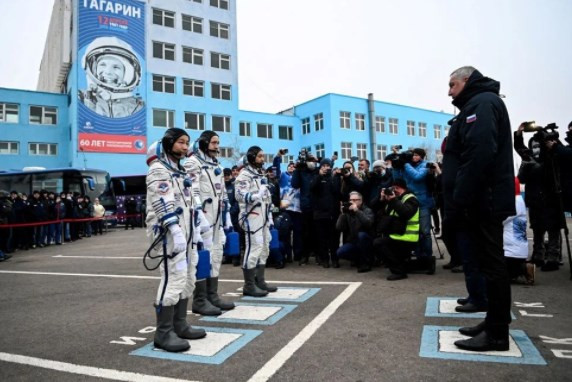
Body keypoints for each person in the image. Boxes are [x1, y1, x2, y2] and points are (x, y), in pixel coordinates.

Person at [443, 66, 515, 352]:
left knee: (493, 265)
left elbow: (479, 153)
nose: (449, 91)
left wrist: (461, 196)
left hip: (483, 199)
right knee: (487, 264)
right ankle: (493, 321)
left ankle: (497, 334)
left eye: (452, 84)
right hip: (480, 198)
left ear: (467, 81)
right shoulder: (476, 104)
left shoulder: (483, 103)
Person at [145, 128, 206, 353]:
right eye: (181, 142)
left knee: (188, 277)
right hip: (169, 234)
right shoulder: (158, 170)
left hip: (187, 232)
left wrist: (196, 229)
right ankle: (163, 333)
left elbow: (189, 204)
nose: (185, 146)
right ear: (169, 143)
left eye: (187, 143)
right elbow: (162, 202)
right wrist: (174, 229)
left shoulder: (180, 172)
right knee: (173, 277)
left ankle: (179, 324)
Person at [184, 131, 235, 314]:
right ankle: (200, 300)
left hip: (217, 217)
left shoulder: (216, 165)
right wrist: (199, 215)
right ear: (204, 143)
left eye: (218, 143)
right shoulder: (193, 163)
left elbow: (222, 193)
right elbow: (192, 191)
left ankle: (212, 296)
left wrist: (226, 214)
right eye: (214, 142)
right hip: (203, 218)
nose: (216, 146)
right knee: (203, 256)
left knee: (216, 253)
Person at [235, 146, 277, 297]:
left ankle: (260, 280)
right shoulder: (244, 175)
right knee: (255, 246)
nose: (262, 159)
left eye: (263, 156)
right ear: (252, 157)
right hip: (251, 216)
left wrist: (270, 216)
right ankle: (249, 284)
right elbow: (239, 195)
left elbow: (267, 197)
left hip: (264, 215)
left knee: (265, 247)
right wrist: (255, 196)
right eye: (259, 156)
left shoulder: (261, 174)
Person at [79, 37, 144, 118]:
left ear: (127, 74)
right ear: (93, 68)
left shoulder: (138, 107)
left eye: (116, 67)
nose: (108, 72)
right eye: (103, 65)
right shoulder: (80, 98)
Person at [392, 148, 434, 266]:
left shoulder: (425, 165)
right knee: (414, 231)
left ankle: (427, 258)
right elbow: (397, 180)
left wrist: (405, 164)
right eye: (412, 155)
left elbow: (417, 177)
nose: (413, 157)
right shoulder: (407, 166)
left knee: (425, 232)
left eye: (416, 155)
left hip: (423, 202)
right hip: (409, 201)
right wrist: (396, 166)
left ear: (421, 156)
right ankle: (417, 255)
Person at [372, 178, 420, 280]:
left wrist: (393, 200)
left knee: (379, 243)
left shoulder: (411, 199)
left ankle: (399, 272)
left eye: (394, 189)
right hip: (396, 235)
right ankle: (400, 265)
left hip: (407, 238)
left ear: (398, 188)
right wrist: (382, 199)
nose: (393, 192)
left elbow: (406, 213)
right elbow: (380, 213)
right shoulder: (395, 199)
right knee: (378, 242)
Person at [310, 158, 342, 268]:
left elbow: (337, 191)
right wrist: (320, 176)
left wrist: (334, 176)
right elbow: (312, 187)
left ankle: (335, 259)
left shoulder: (334, 178)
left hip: (333, 213)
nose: (326, 168)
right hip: (319, 213)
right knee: (321, 238)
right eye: (324, 165)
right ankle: (324, 259)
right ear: (320, 167)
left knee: (334, 238)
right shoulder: (316, 177)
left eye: (328, 165)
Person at [336, 191, 374, 272]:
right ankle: (359, 260)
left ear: (361, 201)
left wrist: (357, 211)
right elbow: (339, 227)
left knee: (361, 235)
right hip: (354, 240)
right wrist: (342, 214)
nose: (352, 202)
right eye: (351, 200)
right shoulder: (348, 212)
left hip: (367, 241)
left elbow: (368, 224)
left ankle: (366, 262)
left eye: (355, 200)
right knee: (340, 252)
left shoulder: (367, 210)